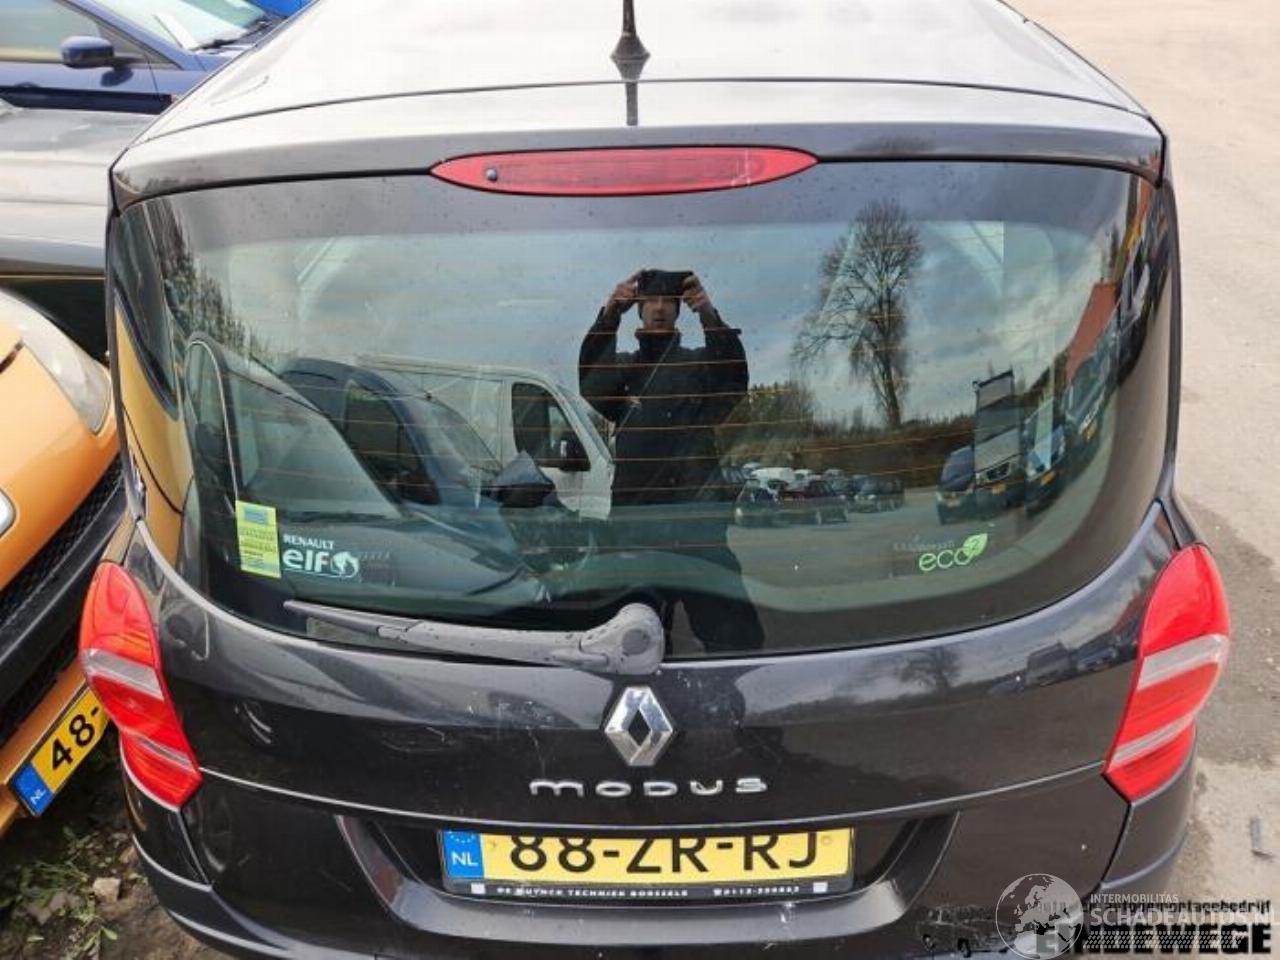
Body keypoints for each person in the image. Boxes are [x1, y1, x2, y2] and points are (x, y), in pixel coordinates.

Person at [578, 269, 763, 652]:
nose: (659, 308)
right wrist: (610, 313)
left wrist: (708, 314)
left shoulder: (699, 367)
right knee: (633, 647)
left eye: (668, 301)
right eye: (651, 301)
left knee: (738, 641)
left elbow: (733, 380)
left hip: (700, 533)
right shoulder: (624, 371)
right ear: (640, 308)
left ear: (679, 310)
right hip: (636, 532)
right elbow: (593, 385)